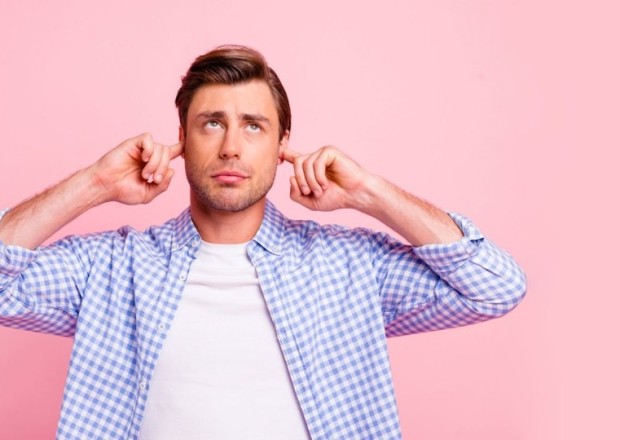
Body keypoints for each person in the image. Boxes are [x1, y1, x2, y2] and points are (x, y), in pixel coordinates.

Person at [0, 45, 526, 440]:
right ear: (181, 140)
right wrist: (94, 183)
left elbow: (495, 288)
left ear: (282, 145)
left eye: (253, 126)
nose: (231, 147)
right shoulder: (114, 268)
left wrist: (370, 192)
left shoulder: (347, 265)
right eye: (212, 124)